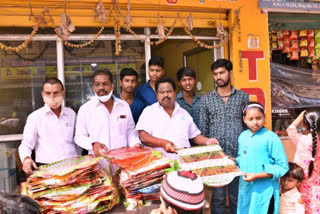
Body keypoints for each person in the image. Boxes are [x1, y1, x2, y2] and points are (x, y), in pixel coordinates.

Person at [199, 59, 249, 214]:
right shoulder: (206, 99)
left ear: (230, 73)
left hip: (238, 156)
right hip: (216, 158)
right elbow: (203, 129)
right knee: (218, 199)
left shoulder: (242, 97)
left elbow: (248, 126)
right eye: (215, 74)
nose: (218, 77)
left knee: (237, 197)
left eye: (221, 73)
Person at [136, 77, 218, 159]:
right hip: (159, 165)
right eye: (162, 92)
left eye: (169, 91)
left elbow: (194, 136)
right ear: (157, 95)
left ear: (175, 93)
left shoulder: (183, 113)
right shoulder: (149, 111)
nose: (165, 95)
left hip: (184, 163)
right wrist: (163, 143)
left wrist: (207, 141)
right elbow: (144, 137)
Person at [75, 69, 140, 158]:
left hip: (122, 160)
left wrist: (135, 144)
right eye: (97, 84)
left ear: (112, 86)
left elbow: (130, 130)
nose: (101, 87)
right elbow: (79, 137)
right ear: (93, 87)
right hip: (97, 161)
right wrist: (93, 144)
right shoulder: (85, 109)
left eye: (105, 84)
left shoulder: (123, 106)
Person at [18, 78, 78, 175]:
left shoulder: (71, 114)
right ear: (42, 95)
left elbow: (77, 141)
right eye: (48, 93)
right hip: (46, 169)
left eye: (56, 93)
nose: (52, 96)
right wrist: (26, 158)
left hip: (72, 167)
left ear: (63, 93)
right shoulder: (35, 117)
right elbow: (26, 144)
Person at [237, 102, 288, 214]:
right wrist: (232, 160)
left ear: (264, 117)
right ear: (244, 119)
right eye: (251, 119)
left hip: (264, 191)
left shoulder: (271, 137)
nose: (255, 122)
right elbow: (242, 158)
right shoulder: (243, 136)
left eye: (258, 118)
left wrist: (257, 176)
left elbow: (282, 167)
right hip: (246, 189)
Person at [286, 108, 320, 214]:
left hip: (303, 186)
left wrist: (301, 115)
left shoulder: (302, 140)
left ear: (305, 125)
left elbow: (290, 129)